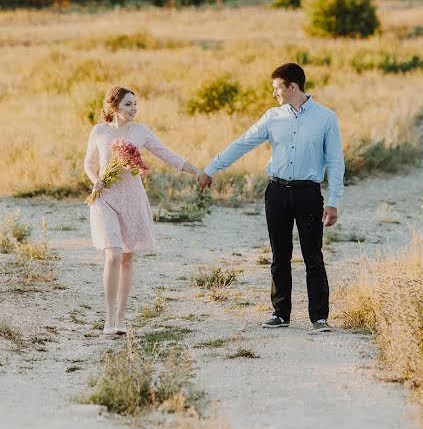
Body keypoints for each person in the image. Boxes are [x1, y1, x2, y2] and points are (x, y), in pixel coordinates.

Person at [198, 63, 344, 333]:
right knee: (280, 255)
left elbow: (335, 161)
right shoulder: (272, 117)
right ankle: (281, 313)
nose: (274, 93)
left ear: (292, 87)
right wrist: (212, 168)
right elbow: (243, 142)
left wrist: (334, 200)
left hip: (308, 193)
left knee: (313, 255)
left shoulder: (326, 118)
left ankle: (319, 317)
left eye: (277, 88)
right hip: (276, 192)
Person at [84, 86, 203, 335]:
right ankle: (107, 317)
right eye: (128, 104)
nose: (133, 109)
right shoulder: (100, 131)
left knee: (127, 258)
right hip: (105, 198)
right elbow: (89, 163)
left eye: (135, 104)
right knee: (113, 254)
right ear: (113, 106)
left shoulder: (140, 132)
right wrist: (96, 179)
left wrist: (196, 171)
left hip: (133, 199)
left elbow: (165, 154)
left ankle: (121, 317)